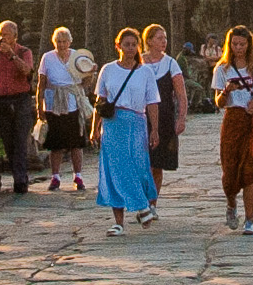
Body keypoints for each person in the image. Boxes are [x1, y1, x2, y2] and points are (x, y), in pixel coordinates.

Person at [93, 29, 158, 228]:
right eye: (126, 44)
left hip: (137, 121)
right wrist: (94, 127)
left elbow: (152, 102)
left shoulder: (145, 71)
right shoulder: (108, 70)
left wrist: (154, 129)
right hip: (113, 123)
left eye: (133, 44)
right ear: (118, 46)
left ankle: (143, 204)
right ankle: (120, 220)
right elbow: (100, 100)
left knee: (138, 167)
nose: (130, 48)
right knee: (116, 169)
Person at [212, 25, 253, 233]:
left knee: (250, 170)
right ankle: (231, 203)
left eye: (242, 44)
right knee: (229, 171)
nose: (238, 48)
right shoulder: (222, 68)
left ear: (249, 45)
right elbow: (218, 102)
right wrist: (226, 91)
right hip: (233, 119)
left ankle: (250, 219)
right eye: (234, 44)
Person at [0, 20, 41, 194]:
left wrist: (12, 55)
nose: (2, 38)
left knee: (20, 140)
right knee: (8, 141)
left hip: (20, 100)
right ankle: (18, 175)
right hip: (1, 100)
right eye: (0, 34)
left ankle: (20, 180)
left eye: (6, 34)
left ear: (15, 36)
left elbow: (27, 71)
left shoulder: (24, 52)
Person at [37, 28, 93, 191]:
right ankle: (55, 177)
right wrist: (40, 106)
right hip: (53, 103)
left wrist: (84, 84)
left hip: (73, 102)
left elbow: (88, 77)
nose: (61, 45)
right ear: (54, 42)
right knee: (56, 143)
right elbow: (41, 83)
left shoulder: (77, 57)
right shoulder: (47, 58)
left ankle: (78, 176)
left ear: (70, 42)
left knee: (76, 142)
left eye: (64, 41)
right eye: (58, 42)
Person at [142, 23, 187, 205]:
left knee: (157, 163)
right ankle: (141, 198)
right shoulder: (139, 62)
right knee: (143, 162)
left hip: (164, 117)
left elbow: (181, 95)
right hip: (141, 117)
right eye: (160, 38)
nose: (164, 42)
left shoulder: (170, 63)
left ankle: (152, 203)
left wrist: (181, 118)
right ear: (149, 41)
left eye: (165, 38)